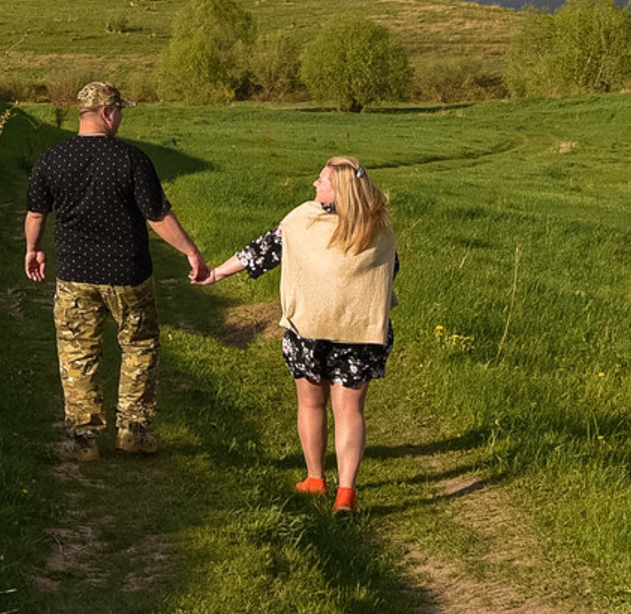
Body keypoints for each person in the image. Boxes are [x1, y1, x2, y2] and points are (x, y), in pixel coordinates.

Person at [202, 156, 397, 514]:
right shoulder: (379, 229)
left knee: (311, 403)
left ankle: (314, 478)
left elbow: (262, 250)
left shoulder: (302, 220)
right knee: (349, 409)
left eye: (321, 180)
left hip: (308, 329)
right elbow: (388, 274)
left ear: (338, 191)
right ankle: (346, 493)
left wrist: (216, 274)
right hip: (360, 330)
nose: (314, 185)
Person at [24, 81, 208, 454]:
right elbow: (157, 215)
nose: (121, 117)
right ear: (107, 113)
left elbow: (35, 213)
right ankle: (133, 432)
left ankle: (84, 439)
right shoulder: (130, 159)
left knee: (77, 353)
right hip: (128, 274)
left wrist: (33, 249)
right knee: (139, 348)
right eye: (119, 111)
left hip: (76, 276)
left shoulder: (52, 158)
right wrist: (191, 252)